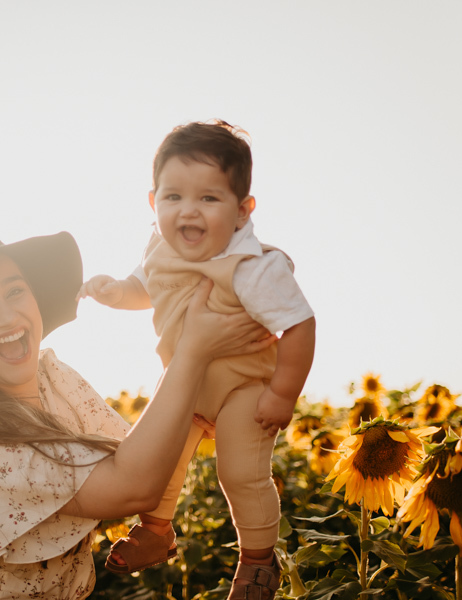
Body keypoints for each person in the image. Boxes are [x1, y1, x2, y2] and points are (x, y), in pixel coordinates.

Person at [0, 225, 272, 599]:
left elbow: (135, 454)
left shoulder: (52, 377)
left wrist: (202, 404)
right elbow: (134, 486)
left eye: (15, 291)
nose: (7, 316)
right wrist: (192, 351)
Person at [78, 120, 316, 599]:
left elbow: (299, 324)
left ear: (243, 211)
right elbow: (146, 288)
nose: (189, 211)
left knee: (240, 473)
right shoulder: (161, 249)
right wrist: (116, 292)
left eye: (209, 198)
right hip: (184, 385)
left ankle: (257, 563)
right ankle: (157, 530)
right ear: (153, 202)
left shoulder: (253, 267)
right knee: (158, 456)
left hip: (243, 390)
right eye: (174, 197)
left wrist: (282, 393)